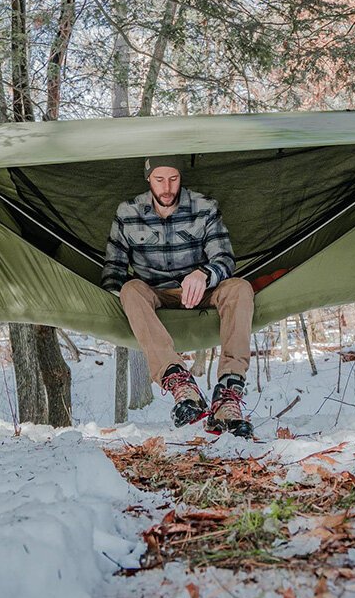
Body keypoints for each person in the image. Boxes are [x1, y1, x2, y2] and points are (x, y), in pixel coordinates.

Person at [101, 156, 254, 438]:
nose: (167, 187)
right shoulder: (128, 212)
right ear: (149, 179)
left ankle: (228, 395)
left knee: (240, 288)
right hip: (154, 293)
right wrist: (112, 306)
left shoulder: (204, 207)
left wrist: (204, 274)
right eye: (160, 179)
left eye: (173, 178)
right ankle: (180, 382)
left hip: (202, 290)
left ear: (181, 178)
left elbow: (224, 258)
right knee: (130, 289)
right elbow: (114, 268)